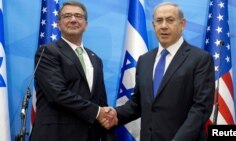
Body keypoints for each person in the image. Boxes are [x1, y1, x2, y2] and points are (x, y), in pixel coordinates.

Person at [102, 2, 215, 141]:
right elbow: (138, 103)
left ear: (182, 24)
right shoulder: (145, 60)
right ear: (153, 25)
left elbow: (201, 108)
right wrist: (115, 114)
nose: (164, 26)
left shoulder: (200, 59)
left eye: (170, 20)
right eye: (159, 20)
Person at [30, 1, 116, 141]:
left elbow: (100, 100)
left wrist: (106, 123)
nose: (73, 20)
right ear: (58, 24)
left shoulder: (95, 59)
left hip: (89, 136)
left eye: (78, 16)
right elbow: (57, 94)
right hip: (56, 135)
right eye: (67, 16)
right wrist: (98, 112)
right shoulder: (47, 52)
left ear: (86, 25)